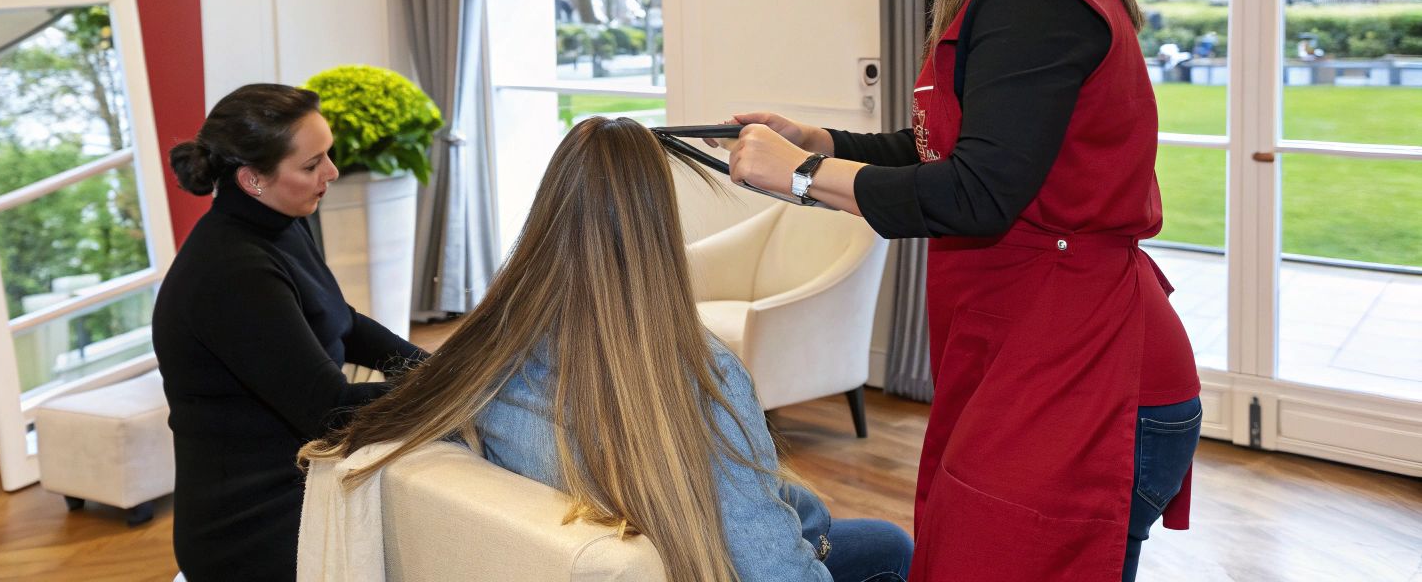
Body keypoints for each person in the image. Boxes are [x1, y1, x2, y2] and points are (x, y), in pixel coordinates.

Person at [718, 0, 1201, 582]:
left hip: (1087, 366)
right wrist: (824, 140)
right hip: (1027, 349)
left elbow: (977, 195)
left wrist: (804, 176)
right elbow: (944, 151)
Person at [303, 116, 914, 582]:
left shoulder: (489, 351)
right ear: (659, 225)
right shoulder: (701, 375)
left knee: (816, 515)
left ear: (550, 213)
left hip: (715, 528)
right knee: (888, 545)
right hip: (721, 555)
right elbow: (767, 560)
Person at [154, 83, 427, 582]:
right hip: (250, 526)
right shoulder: (232, 271)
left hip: (297, 478)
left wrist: (430, 368)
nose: (332, 173)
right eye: (311, 165)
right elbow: (329, 409)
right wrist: (448, 391)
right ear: (253, 179)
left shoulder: (283, 222)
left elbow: (339, 318)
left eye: (328, 155)